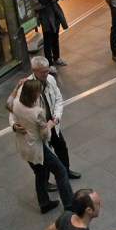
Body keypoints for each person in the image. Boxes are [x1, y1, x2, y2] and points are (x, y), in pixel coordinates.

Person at [9, 56, 81, 186]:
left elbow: (58, 98)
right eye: (42, 71)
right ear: (34, 70)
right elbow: (14, 109)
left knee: (61, 147)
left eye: (47, 70)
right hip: (38, 128)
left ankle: (66, 170)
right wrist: (14, 125)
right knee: (43, 157)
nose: (46, 73)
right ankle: (46, 182)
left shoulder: (50, 79)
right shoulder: (25, 87)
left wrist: (57, 116)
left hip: (52, 124)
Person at [7, 78, 73, 214]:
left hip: (23, 145)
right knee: (61, 172)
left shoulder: (17, 104)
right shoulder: (37, 113)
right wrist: (51, 124)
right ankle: (69, 204)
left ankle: (44, 203)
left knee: (40, 173)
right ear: (34, 94)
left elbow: (8, 103)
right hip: (37, 148)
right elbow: (46, 136)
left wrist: (16, 86)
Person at [33, 0, 68, 67]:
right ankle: (49, 63)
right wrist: (47, 2)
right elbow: (35, 6)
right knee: (47, 41)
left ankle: (56, 58)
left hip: (55, 16)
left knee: (55, 37)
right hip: (46, 18)